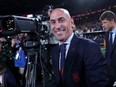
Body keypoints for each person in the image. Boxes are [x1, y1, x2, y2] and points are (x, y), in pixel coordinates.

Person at [49, 8, 108, 87]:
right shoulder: (55, 51)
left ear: (72, 22)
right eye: (53, 22)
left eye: (61, 20)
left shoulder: (89, 47)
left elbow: (99, 84)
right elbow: (57, 81)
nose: (57, 26)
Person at [99, 10, 116, 87]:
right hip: (109, 71)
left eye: (104, 22)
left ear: (112, 21)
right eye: (102, 23)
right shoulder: (107, 34)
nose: (102, 25)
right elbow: (108, 52)